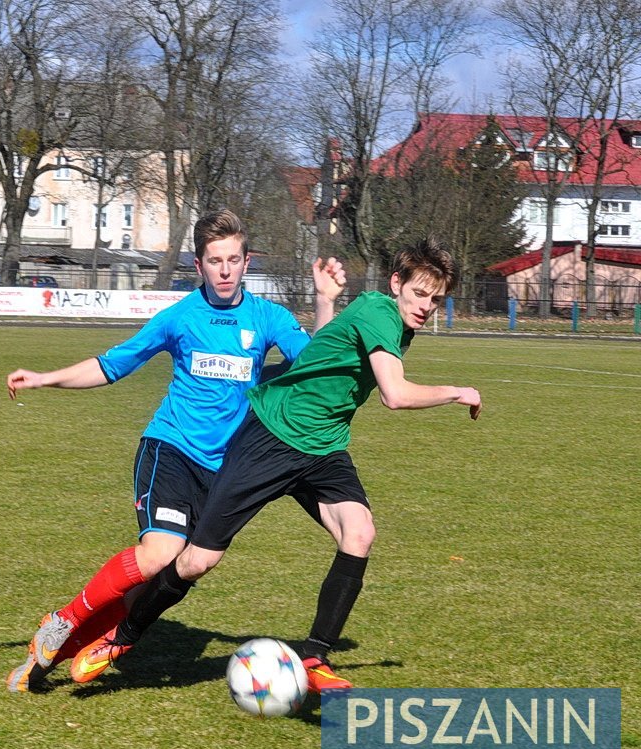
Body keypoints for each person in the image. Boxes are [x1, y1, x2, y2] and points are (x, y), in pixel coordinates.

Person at [70, 236, 482, 690]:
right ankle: (120, 638)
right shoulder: (378, 311)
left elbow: (319, 352)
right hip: (270, 437)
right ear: (396, 283)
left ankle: (314, 657)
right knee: (196, 562)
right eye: (419, 293)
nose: (426, 305)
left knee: (359, 531)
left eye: (437, 299)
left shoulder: (395, 322)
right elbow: (395, 395)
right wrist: (458, 391)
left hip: (323, 447)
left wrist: (324, 302)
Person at [5, 209, 346, 692]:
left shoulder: (268, 317)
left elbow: (315, 365)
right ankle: (65, 619)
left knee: (178, 571)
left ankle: (59, 650)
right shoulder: (181, 317)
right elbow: (113, 364)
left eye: (233, 259)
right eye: (214, 261)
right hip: (170, 449)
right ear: (198, 264)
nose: (225, 270)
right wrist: (45, 378)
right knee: (160, 552)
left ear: (246, 261)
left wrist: (323, 302)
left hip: (223, 470)